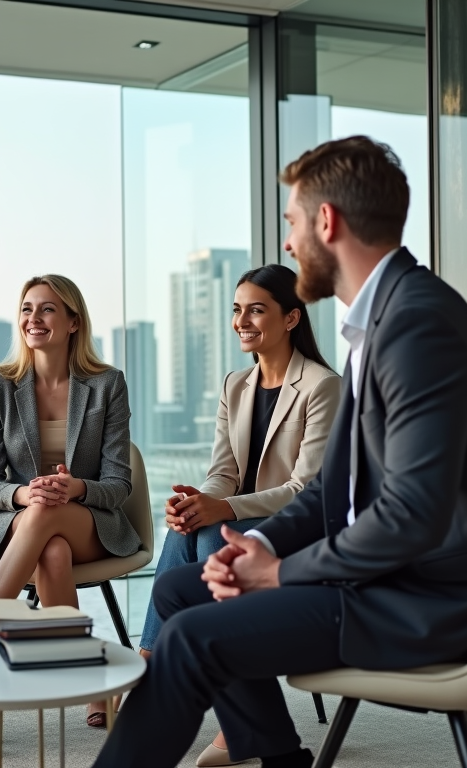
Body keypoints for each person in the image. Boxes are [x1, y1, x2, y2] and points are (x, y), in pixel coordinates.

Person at [91, 136, 467, 768]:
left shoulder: (418, 326)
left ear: (326, 221)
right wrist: (263, 547)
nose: (289, 241)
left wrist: (279, 574)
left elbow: (412, 515)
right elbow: (334, 489)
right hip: (395, 580)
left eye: (293, 222)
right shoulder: (382, 319)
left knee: (191, 636)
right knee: (183, 593)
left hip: (429, 601)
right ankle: (273, 753)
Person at [137, 264, 339, 767]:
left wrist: (220, 507)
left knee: (211, 537)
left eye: (256, 309)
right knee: (187, 528)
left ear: (291, 318)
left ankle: (201, 700)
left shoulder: (321, 387)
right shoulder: (236, 384)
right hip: (236, 517)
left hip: (289, 533)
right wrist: (198, 499)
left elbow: (305, 491)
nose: (241, 320)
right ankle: (161, 671)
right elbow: (221, 472)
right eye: (236, 309)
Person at [0, 274, 141, 726]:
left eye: (47, 309)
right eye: (26, 309)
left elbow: (120, 482)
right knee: (49, 545)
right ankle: (94, 689)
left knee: (52, 521)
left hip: (91, 522)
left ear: (73, 322)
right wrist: (23, 492)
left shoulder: (106, 384)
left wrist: (76, 487)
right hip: (19, 520)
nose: (33, 319)